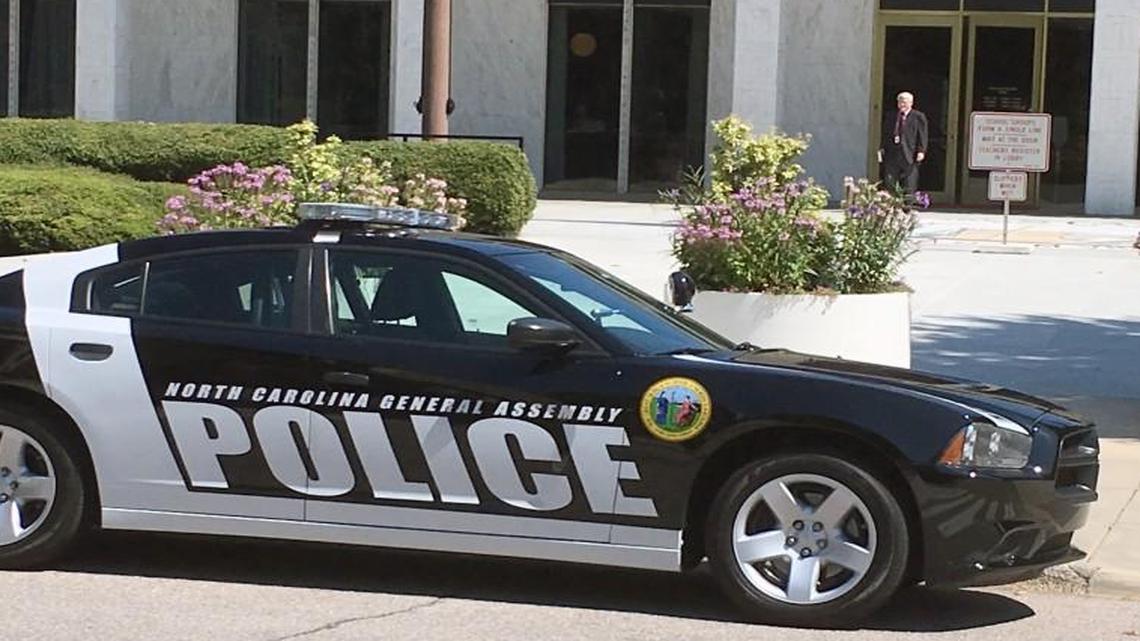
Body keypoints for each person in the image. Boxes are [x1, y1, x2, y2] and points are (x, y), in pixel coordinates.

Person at [879, 91, 929, 194]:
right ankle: (891, 204)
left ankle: (908, 206)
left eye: (904, 102)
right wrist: (882, 148)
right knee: (890, 180)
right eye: (900, 102)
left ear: (911, 103)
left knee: (910, 181)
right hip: (893, 152)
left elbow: (922, 135)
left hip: (910, 153)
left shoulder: (918, 117)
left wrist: (921, 150)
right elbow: (885, 133)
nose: (902, 104)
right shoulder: (891, 115)